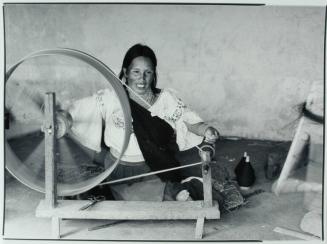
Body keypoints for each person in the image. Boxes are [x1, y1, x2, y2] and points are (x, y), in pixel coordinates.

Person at [68, 43, 219, 201]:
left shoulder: (165, 99)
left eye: (148, 72)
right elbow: (81, 110)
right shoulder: (111, 99)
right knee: (148, 195)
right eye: (136, 72)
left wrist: (206, 130)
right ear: (126, 72)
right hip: (118, 169)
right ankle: (169, 193)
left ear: (154, 74)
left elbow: (186, 119)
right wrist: (63, 119)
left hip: (153, 168)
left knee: (149, 194)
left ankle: (168, 192)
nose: (142, 78)